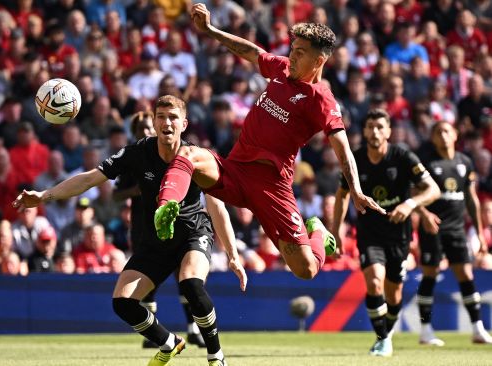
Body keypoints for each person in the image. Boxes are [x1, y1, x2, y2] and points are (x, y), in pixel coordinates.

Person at [154, 5, 384, 282]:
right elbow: (252, 52)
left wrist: (357, 191)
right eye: (293, 48)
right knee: (189, 154)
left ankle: (319, 233)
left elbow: (343, 149)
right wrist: (210, 30)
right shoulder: (283, 69)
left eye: (300, 52)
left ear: (319, 60)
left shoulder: (321, 99)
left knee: (305, 270)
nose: (292, 56)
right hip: (236, 171)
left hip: (273, 188)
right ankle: (165, 207)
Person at [14, 95, 247, 366]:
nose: (167, 123)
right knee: (122, 303)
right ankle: (169, 342)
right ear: (154, 121)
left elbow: (217, 208)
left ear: (184, 124)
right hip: (155, 241)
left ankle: (215, 356)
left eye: (173, 118)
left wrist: (232, 254)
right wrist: (44, 196)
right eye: (161, 117)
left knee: (190, 284)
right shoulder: (137, 153)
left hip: (193, 233)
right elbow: (90, 179)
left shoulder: (197, 157)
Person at [332, 109, 441, 357]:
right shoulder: (355, 159)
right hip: (370, 233)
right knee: (373, 282)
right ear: (364, 131)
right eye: (370, 127)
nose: (375, 132)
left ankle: (386, 336)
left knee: (394, 293)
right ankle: (383, 338)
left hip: (399, 235)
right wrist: (336, 230)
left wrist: (410, 204)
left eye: (380, 127)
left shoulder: (402, 156)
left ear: (389, 131)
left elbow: (432, 189)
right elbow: (342, 195)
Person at [114, 111, 207, 348]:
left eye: (148, 127)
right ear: (135, 131)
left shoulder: (184, 153)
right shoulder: (134, 157)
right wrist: (136, 190)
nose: (146, 131)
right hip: (143, 226)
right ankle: (154, 333)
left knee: (184, 278)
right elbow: (116, 193)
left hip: (182, 226)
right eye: (142, 128)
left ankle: (192, 329)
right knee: (145, 281)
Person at [415, 122, 492, 346]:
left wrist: (479, 233)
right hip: (433, 228)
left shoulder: (465, 162)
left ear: (455, 134)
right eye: (438, 132)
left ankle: (478, 329)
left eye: (447, 131)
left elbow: (471, 199)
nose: (443, 135)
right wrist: (425, 214)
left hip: (457, 229)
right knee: (429, 276)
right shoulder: (427, 163)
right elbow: (412, 195)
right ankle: (425, 330)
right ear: (433, 137)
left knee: (466, 276)